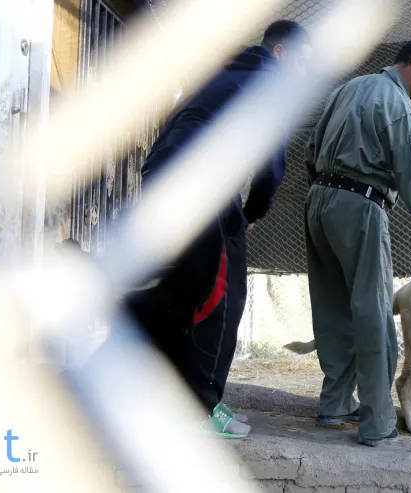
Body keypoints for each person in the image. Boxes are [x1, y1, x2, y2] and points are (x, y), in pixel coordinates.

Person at [123, 20, 313, 439]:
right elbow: (271, 165)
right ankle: (199, 409)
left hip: (170, 173)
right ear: (281, 53)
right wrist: (252, 211)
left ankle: (126, 323)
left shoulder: (229, 74)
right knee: (222, 292)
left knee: (186, 288)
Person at [303, 36, 411, 446]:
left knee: (332, 307)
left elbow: (312, 151)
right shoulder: (401, 109)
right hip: (360, 205)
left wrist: (329, 193)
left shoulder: (347, 88)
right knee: (374, 312)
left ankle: (334, 405)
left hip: (319, 203)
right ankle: (377, 420)